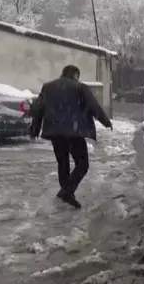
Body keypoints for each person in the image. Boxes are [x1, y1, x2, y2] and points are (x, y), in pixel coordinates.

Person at [30, 65, 112, 209]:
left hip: (56, 132)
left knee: (63, 163)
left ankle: (67, 192)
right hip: (75, 133)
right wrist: (105, 121)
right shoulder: (80, 88)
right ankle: (67, 191)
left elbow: (38, 108)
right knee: (83, 164)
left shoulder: (48, 87)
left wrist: (35, 128)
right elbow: (94, 106)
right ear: (76, 75)